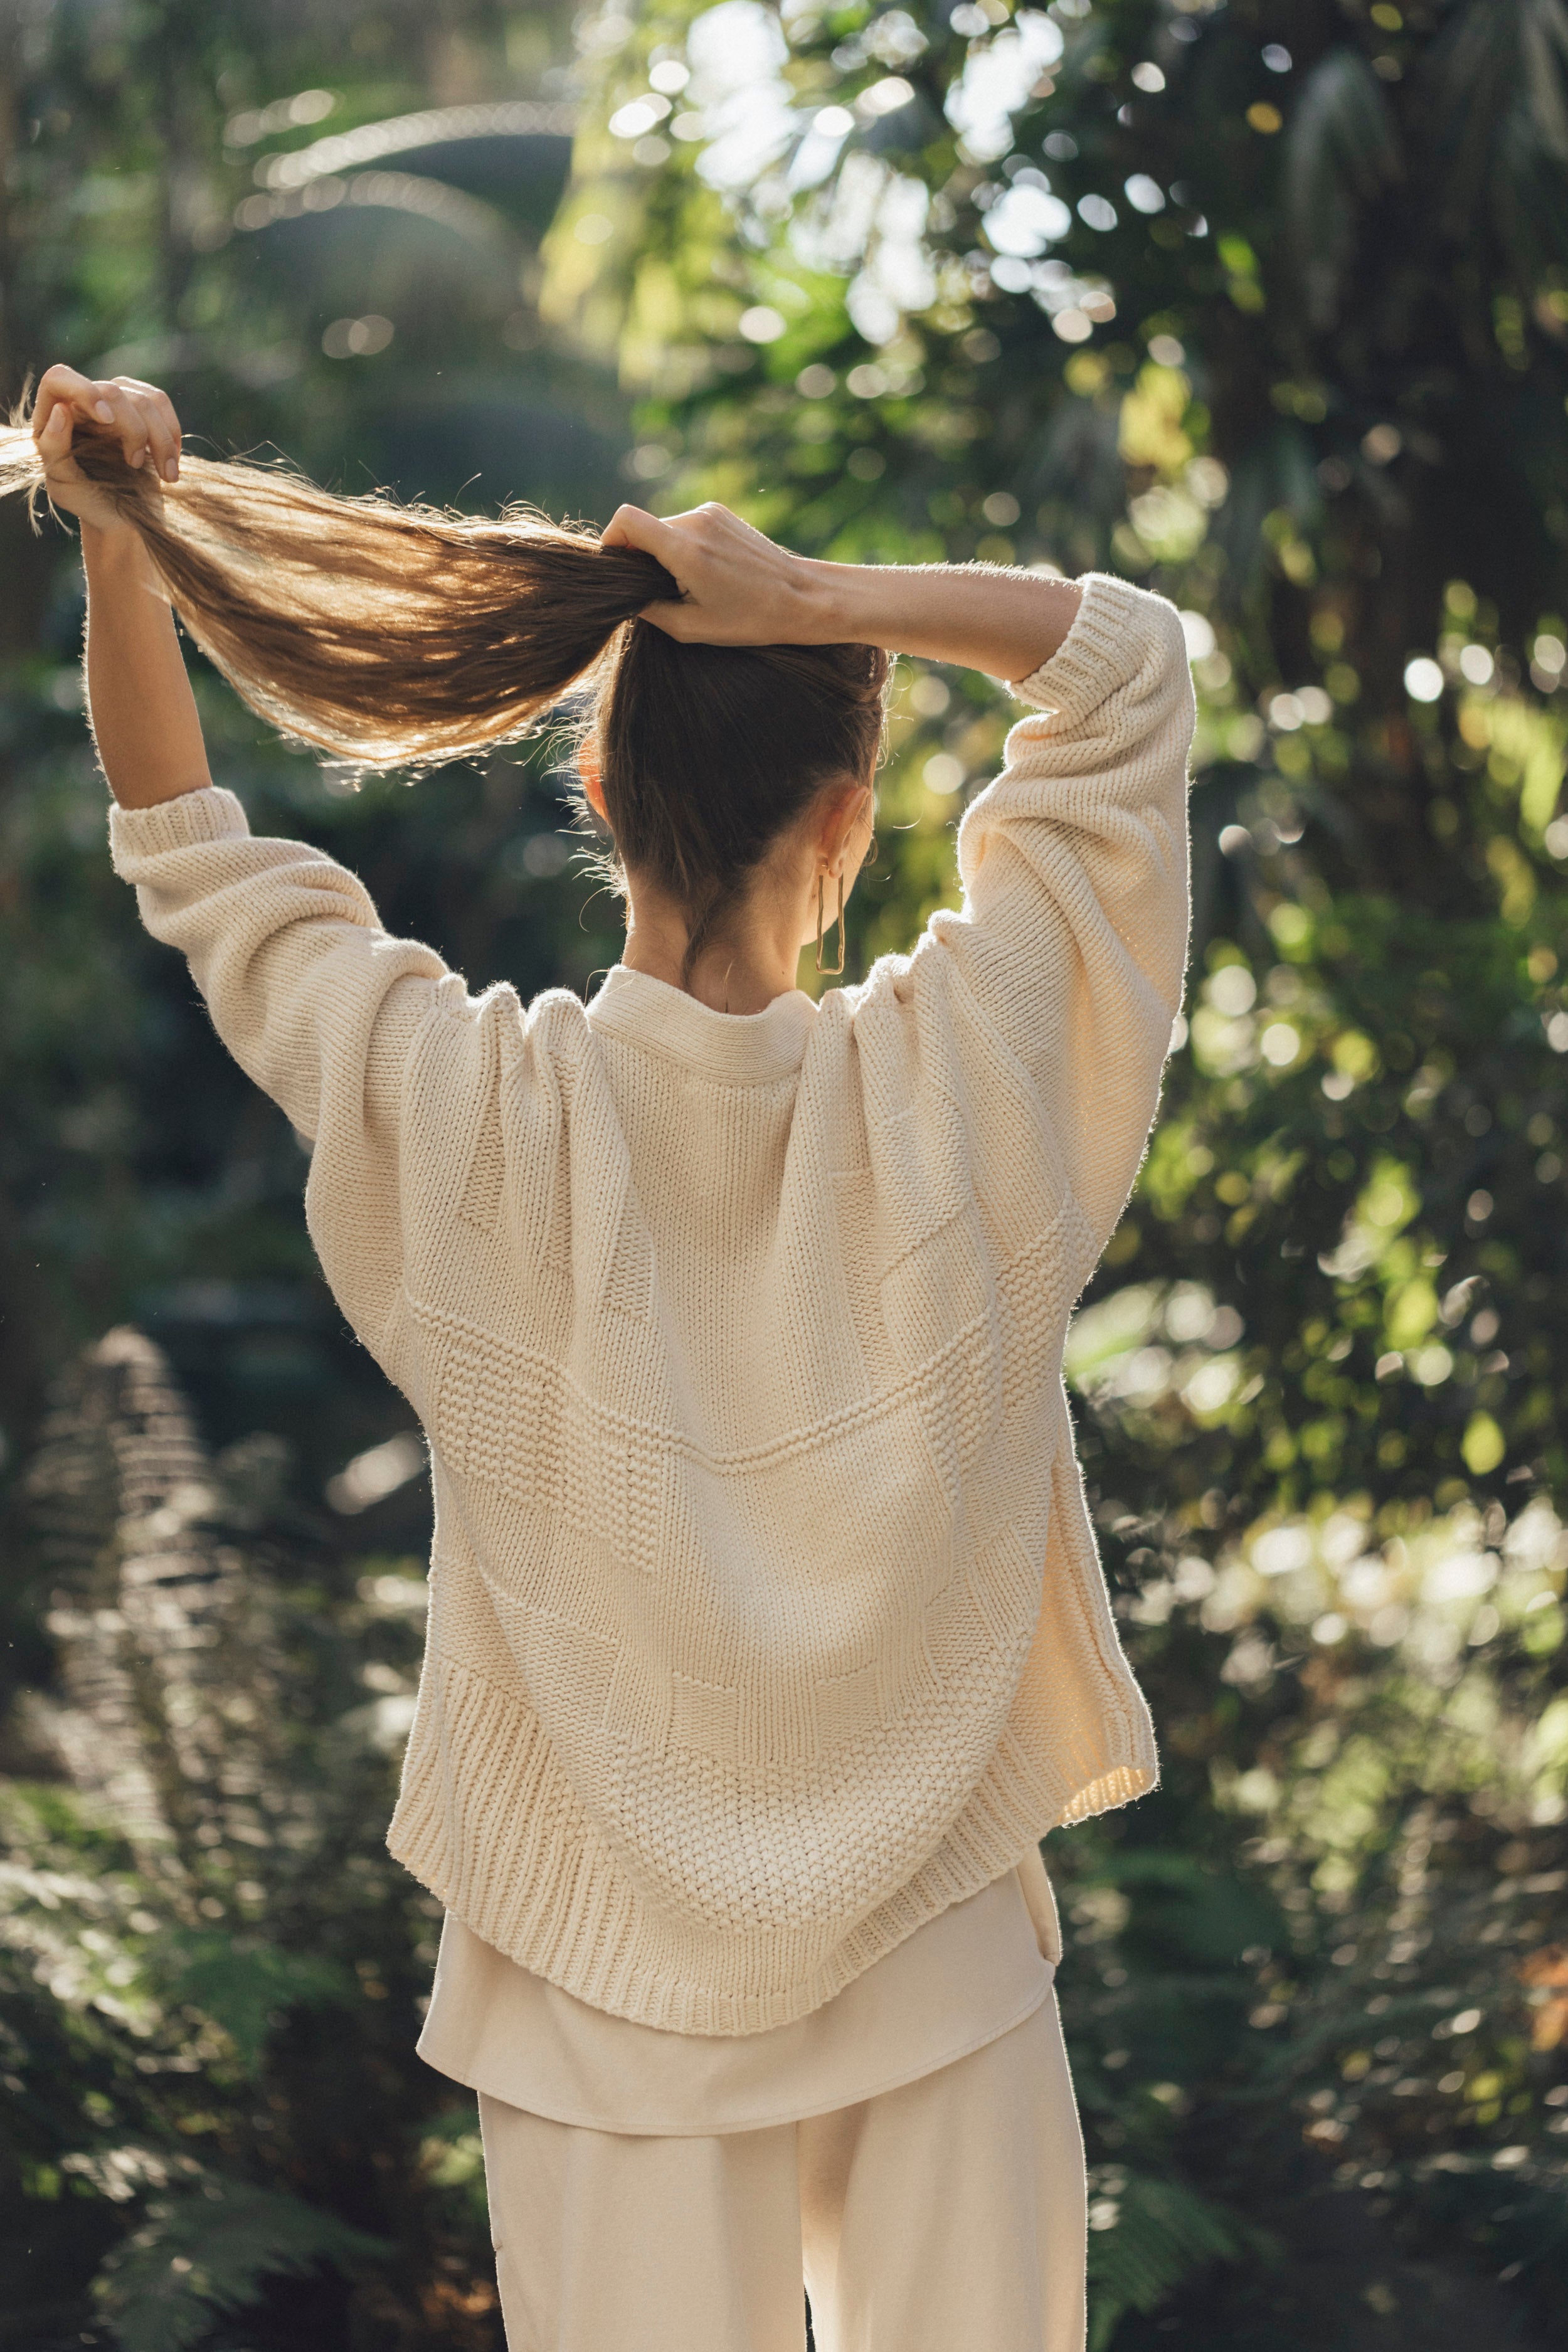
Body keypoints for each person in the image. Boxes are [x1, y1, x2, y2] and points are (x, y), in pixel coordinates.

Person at [11, 363, 1195, 2352]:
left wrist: (126, 540)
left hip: (590, 1996)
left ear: (592, 788)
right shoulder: (974, 1080)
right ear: (851, 820)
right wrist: (816, 596)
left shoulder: (467, 1112)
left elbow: (188, 844)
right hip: (940, 1964)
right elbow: (1127, 668)